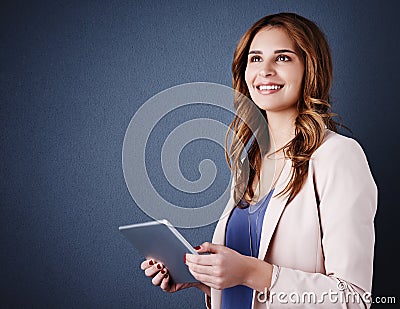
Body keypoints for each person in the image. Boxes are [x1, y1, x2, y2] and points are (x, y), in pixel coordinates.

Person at [140, 12, 377, 308]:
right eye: (255, 58)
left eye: (282, 58)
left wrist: (253, 272)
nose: (264, 71)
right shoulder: (249, 163)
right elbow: (250, 293)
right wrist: (206, 280)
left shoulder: (338, 156)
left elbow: (353, 299)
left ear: (310, 69)